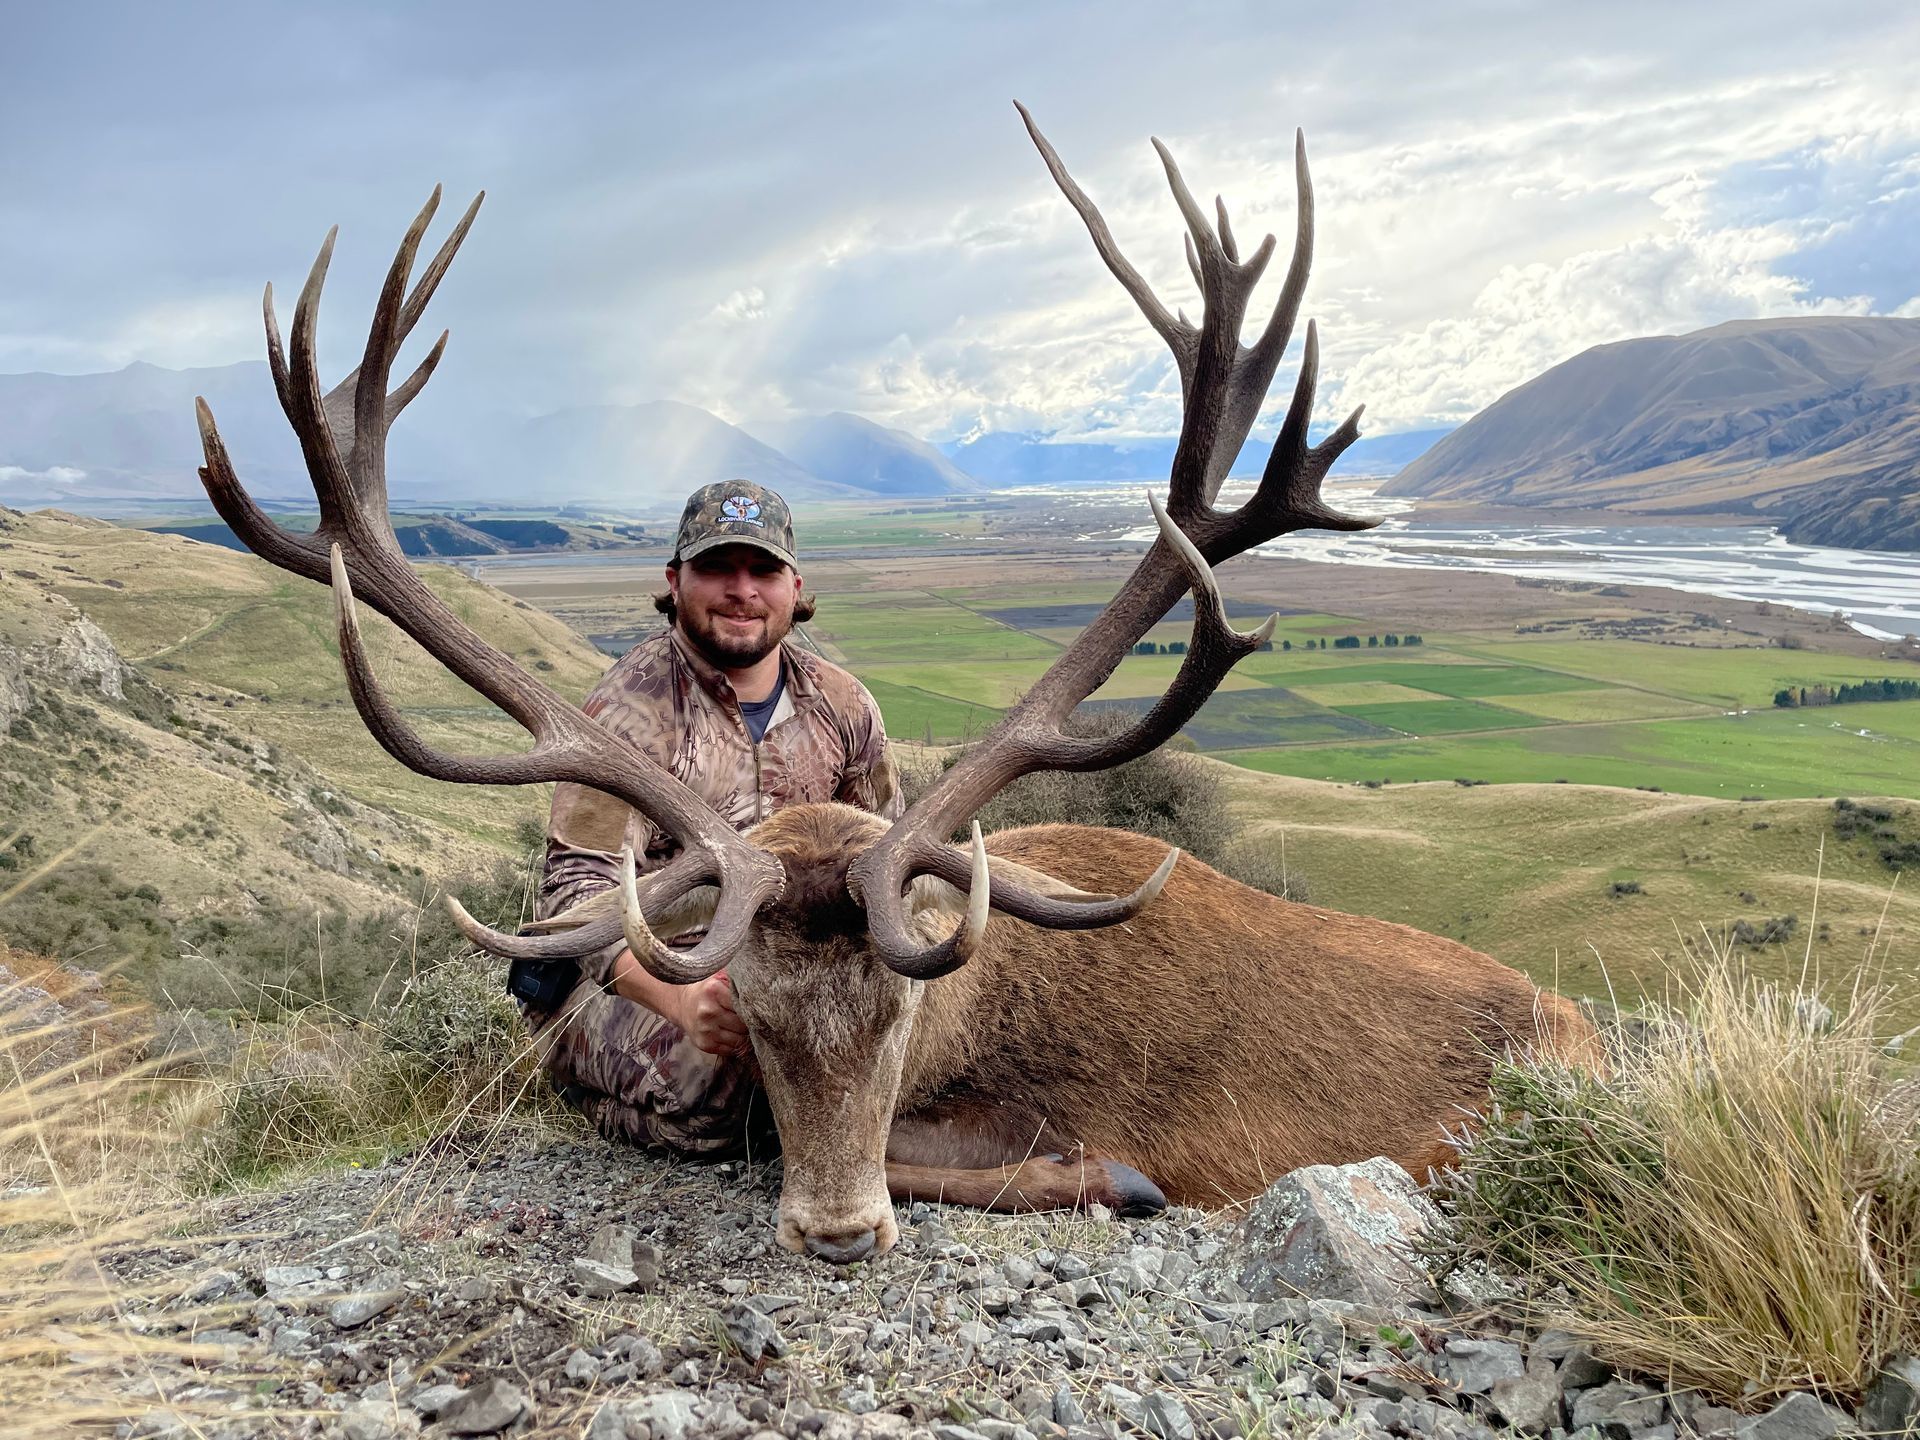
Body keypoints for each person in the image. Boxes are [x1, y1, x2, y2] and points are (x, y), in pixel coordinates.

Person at [531, 480, 903, 1156]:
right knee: (726, 1083)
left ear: (795, 587)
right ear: (675, 581)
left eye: (763, 570)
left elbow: (890, 862)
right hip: (642, 980)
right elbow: (576, 905)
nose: (742, 590)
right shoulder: (626, 715)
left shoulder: (844, 704)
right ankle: (586, 1083)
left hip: (787, 967)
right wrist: (679, 999)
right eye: (716, 569)